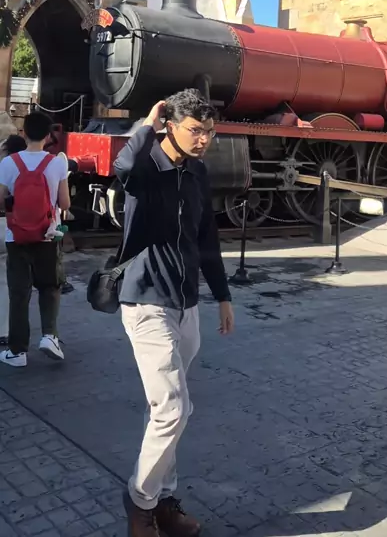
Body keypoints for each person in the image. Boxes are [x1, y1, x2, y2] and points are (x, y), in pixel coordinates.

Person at [114, 89, 234, 537]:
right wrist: (146, 124)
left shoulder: (197, 172)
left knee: (164, 409)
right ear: (170, 125)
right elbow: (123, 165)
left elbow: (207, 238)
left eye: (209, 132)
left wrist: (222, 295)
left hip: (186, 305)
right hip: (147, 301)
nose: (204, 139)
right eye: (195, 130)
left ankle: (164, 500)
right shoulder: (146, 166)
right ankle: (141, 501)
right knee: (173, 410)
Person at [0, 111, 70, 367]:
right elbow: (65, 202)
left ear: (24, 132)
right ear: (48, 136)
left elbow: (1, 200)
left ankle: (17, 352)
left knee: (19, 293)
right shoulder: (56, 163)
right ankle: (50, 336)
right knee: (50, 287)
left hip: (16, 236)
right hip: (48, 235)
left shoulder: (9, 163)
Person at [0, 135, 27, 346]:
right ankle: (3, 331)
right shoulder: (26, 166)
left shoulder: (5, 165)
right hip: (11, 227)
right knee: (5, 282)